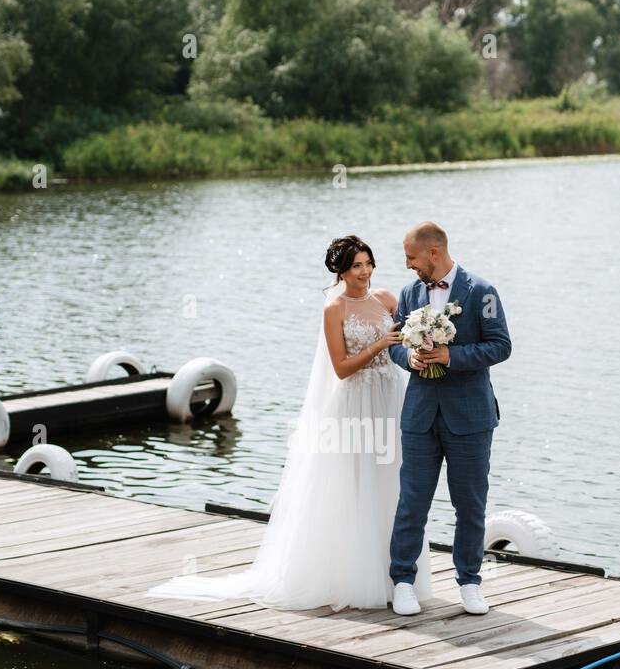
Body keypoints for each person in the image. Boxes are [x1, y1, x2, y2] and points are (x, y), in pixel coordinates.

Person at [147, 235, 432, 612]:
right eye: (355, 267)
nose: (364, 273)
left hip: (389, 399)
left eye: (368, 264)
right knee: (356, 484)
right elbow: (342, 369)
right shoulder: (335, 308)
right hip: (356, 403)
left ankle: (397, 578)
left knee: (393, 482)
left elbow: (404, 342)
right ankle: (352, 577)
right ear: (341, 270)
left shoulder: (386, 299)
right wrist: (379, 345)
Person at [387, 221, 511, 618]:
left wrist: (451, 358)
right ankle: (403, 581)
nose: (408, 265)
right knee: (412, 502)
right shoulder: (409, 293)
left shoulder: (482, 291)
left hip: (470, 419)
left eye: (411, 257)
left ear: (433, 254)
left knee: (470, 506)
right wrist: (411, 357)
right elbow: (395, 343)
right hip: (420, 417)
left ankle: (470, 582)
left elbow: (500, 345)